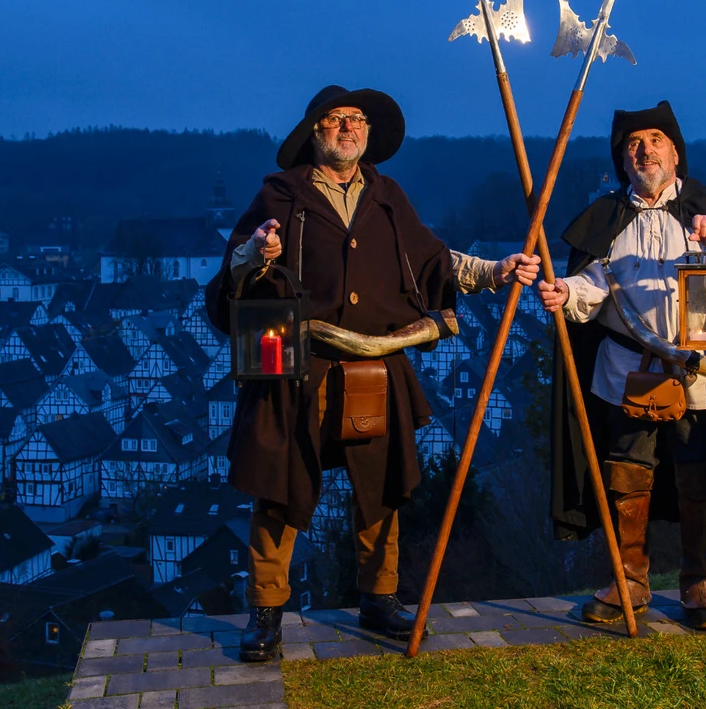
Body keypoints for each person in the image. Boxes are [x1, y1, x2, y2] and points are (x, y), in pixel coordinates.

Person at [206, 84, 539, 661]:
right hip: (296, 368)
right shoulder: (282, 195)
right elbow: (236, 269)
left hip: (375, 364)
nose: (349, 128)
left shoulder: (386, 196)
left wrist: (494, 271)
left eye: (357, 119)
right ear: (314, 132)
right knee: (279, 491)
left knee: (380, 489)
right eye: (336, 119)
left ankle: (380, 599)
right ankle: (265, 613)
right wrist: (257, 253)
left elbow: (433, 260)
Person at [539, 100, 706, 630]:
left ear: (675, 153)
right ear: (623, 160)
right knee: (626, 475)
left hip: (699, 376)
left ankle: (699, 583)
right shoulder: (606, 220)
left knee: (700, 477)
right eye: (632, 145)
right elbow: (592, 287)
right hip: (625, 373)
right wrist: (564, 293)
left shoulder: (705, 216)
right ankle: (629, 581)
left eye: (654, 141)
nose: (643, 151)